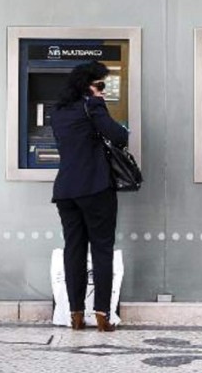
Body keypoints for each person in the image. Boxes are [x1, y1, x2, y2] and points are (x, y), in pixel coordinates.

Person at [51, 61, 128, 332]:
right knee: (101, 249)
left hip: (65, 191)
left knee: (74, 249)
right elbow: (119, 136)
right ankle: (102, 314)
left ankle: (75, 314)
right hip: (95, 188)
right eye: (101, 85)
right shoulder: (92, 106)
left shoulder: (58, 111)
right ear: (88, 86)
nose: (103, 90)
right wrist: (99, 104)